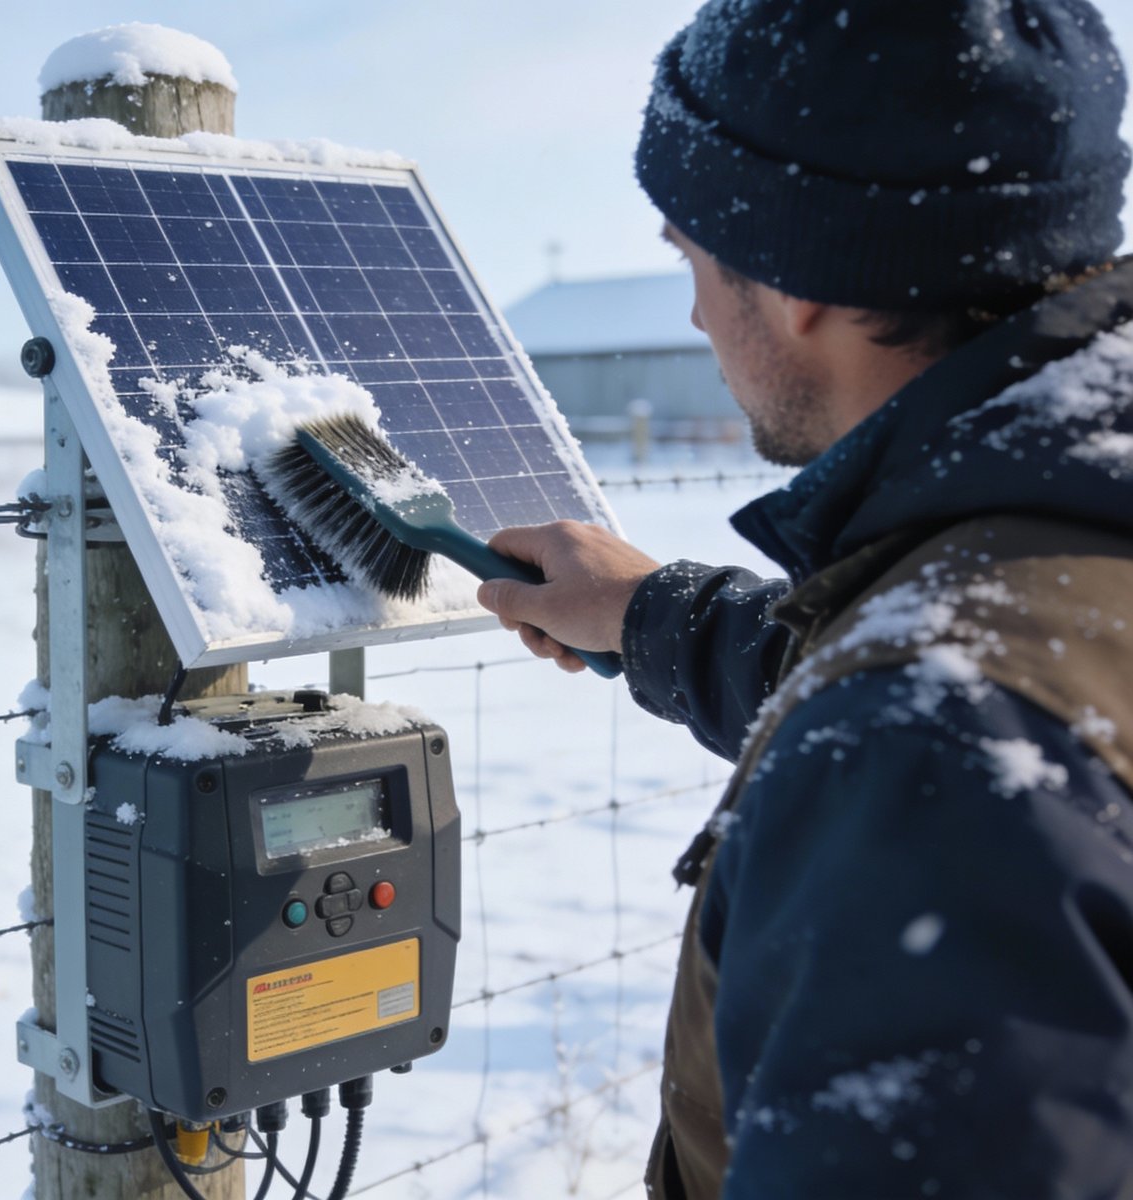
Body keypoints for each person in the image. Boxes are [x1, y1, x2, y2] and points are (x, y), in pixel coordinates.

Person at [474, 1, 1133, 1196]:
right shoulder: (1069, 531)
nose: (688, 315)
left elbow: (951, 710)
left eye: (690, 257)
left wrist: (875, 715)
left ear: (794, 280)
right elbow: (1017, 656)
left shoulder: (929, 751)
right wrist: (650, 615)